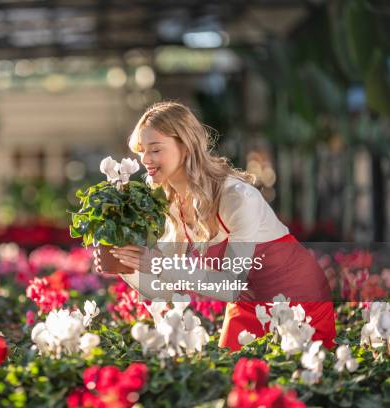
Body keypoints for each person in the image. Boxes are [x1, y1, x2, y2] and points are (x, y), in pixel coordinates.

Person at [93, 101, 335, 351]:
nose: (145, 159)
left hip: (299, 302)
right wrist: (124, 262)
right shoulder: (174, 203)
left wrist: (160, 263)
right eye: (142, 150)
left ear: (186, 148)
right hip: (248, 304)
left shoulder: (238, 197)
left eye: (155, 150)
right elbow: (165, 290)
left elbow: (230, 287)